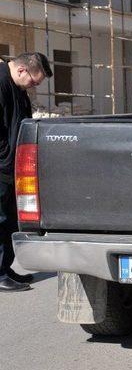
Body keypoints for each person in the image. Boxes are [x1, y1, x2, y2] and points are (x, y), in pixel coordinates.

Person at [0, 52, 51, 292]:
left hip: (12, 167)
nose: (33, 86)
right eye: (33, 81)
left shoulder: (17, 88)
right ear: (22, 70)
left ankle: (4, 268)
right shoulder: (1, 83)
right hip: (2, 166)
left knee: (10, 220)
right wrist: (6, 155)